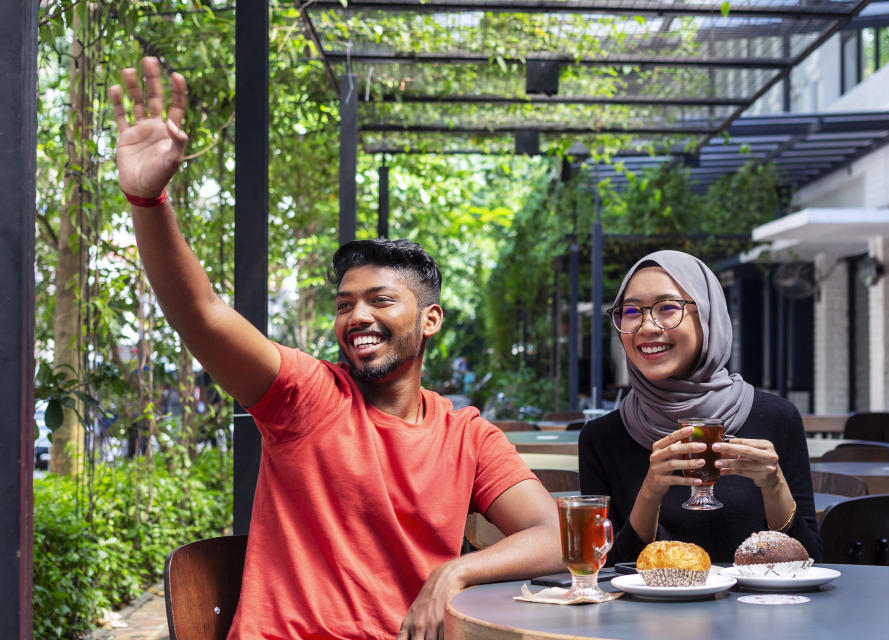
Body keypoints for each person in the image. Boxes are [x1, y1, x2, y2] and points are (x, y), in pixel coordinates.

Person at [109, 57, 564, 640]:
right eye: (345, 304)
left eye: (380, 300)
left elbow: (555, 535)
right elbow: (203, 315)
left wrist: (456, 571)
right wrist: (148, 204)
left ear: (430, 320)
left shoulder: (467, 435)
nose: (358, 317)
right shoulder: (306, 395)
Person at [578, 250, 821, 564]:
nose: (647, 326)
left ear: (707, 316)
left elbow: (811, 561)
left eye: (667, 307)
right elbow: (603, 573)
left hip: (756, 609)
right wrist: (650, 491)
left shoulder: (775, 418)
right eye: (631, 311)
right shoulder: (602, 438)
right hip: (648, 613)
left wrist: (774, 486)